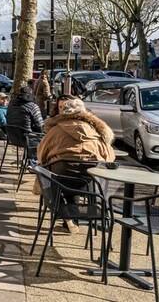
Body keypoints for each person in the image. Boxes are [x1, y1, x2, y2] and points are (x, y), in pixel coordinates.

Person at [35, 97, 116, 232]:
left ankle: (64, 213)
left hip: (60, 179)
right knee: (76, 174)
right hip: (90, 183)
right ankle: (76, 218)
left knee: (48, 173)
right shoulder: (96, 131)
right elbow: (110, 157)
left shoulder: (56, 130)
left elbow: (41, 153)